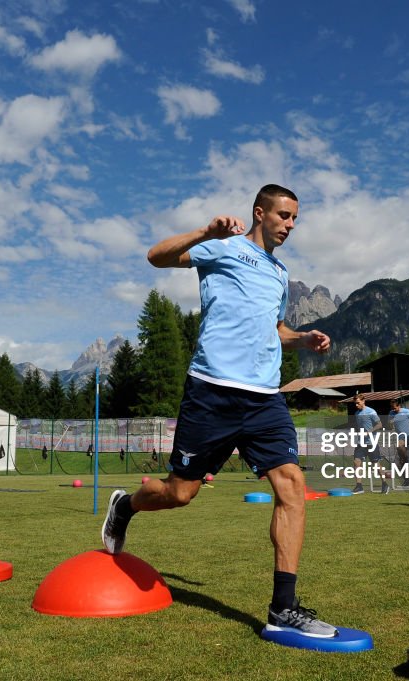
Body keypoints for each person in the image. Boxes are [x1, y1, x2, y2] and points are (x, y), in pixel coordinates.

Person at [101, 184, 339, 638]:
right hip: (212, 392)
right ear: (259, 212)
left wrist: (302, 337)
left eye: (294, 219)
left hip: (265, 398)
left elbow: (275, 327)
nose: (290, 225)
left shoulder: (279, 273)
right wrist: (204, 230)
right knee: (179, 493)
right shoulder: (223, 249)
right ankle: (126, 506)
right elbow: (156, 257)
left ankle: (282, 608)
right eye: (283, 216)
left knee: (292, 486)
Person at [350, 395, 385, 494]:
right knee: (356, 462)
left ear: (363, 401)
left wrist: (369, 432)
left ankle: (384, 483)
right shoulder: (357, 413)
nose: (356, 405)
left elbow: (380, 424)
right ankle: (359, 486)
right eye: (355, 403)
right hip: (361, 443)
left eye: (358, 403)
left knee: (376, 465)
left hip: (372, 442)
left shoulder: (371, 411)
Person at [388, 399, 409, 488]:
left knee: (400, 447)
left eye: (395, 408)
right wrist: (391, 423)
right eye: (392, 408)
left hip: (408, 437)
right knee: (402, 461)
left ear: (399, 406)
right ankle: (407, 480)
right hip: (399, 437)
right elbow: (390, 426)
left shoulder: (406, 412)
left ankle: (408, 460)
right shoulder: (391, 413)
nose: (393, 409)